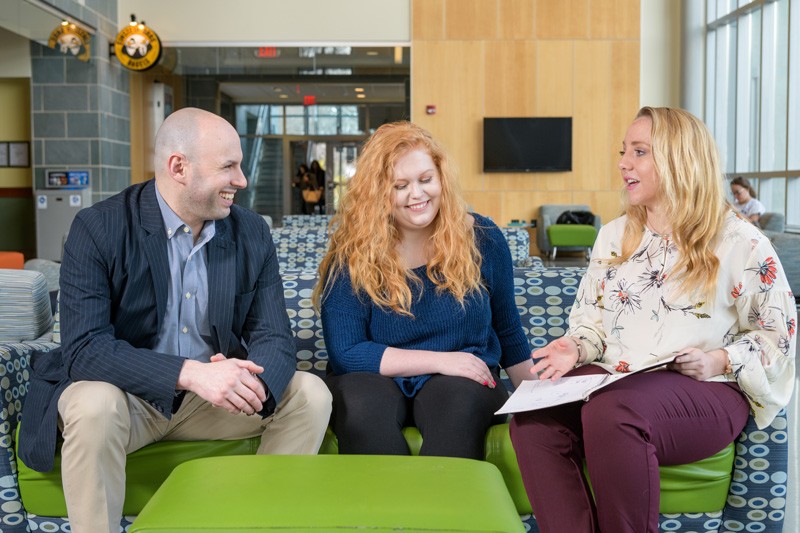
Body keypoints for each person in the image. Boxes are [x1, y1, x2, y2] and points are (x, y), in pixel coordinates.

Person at [19, 108, 333, 533]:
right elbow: (84, 349)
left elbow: (273, 337)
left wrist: (252, 385)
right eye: (229, 166)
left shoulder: (251, 231)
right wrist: (191, 374)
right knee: (93, 403)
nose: (241, 180)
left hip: (211, 404)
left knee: (309, 393)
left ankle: (258, 523)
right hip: (125, 399)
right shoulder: (99, 228)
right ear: (178, 167)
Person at [509, 107, 796, 533]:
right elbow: (590, 324)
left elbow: (780, 337)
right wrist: (574, 346)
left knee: (613, 411)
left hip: (706, 389)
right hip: (616, 375)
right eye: (624, 151)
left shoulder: (740, 242)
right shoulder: (613, 234)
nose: (624, 162)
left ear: (680, 160)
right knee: (535, 416)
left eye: (639, 152)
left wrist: (719, 359)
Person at [313, 121, 534, 459]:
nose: (416, 195)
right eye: (400, 185)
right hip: (375, 378)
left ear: (441, 178)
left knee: (457, 406)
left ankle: (445, 510)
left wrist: (543, 405)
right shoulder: (351, 255)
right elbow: (347, 353)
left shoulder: (483, 238)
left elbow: (508, 332)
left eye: (426, 180)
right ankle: (388, 512)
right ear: (377, 193)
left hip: (462, 384)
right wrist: (443, 360)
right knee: (360, 405)